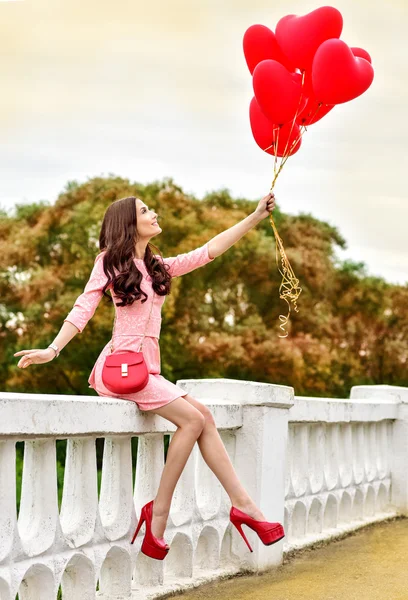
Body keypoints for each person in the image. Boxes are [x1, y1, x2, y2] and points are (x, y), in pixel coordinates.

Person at [14, 192, 284, 560]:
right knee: (191, 420)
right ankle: (159, 514)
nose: (153, 213)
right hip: (121, 368)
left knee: (204, 417)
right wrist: (52, 349)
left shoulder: (157, 265)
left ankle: (243, 505)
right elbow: (83, 307)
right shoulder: (109, 262)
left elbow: (209, 251)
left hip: (147, 369)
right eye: (144, 210)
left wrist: (254, 217)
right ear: (128, 223)